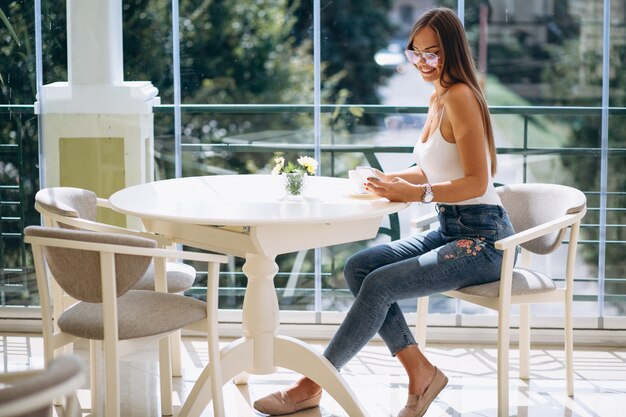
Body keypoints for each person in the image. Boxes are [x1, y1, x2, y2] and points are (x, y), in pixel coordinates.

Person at [253, 7, 515, 417]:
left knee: (379, 284)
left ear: (454, 52)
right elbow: (432, 169)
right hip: (450, 229)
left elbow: (477, 184)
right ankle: (421, 372)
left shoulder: (462, 96)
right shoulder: (439, 97)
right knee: (360, 267)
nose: (424, 63)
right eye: (417, 53)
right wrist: (382, 180)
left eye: (435, 53)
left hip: (483, 240)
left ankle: (312, 383)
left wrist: (414, 194)